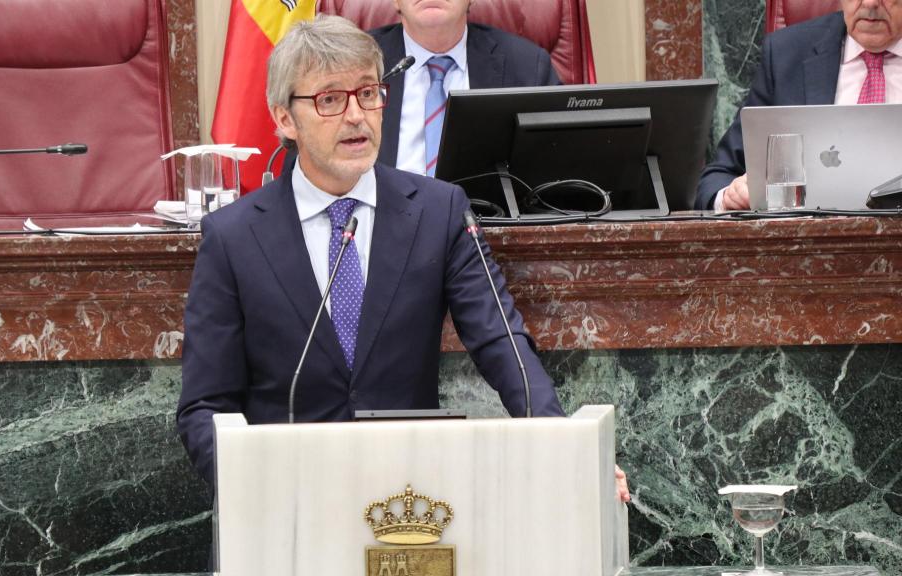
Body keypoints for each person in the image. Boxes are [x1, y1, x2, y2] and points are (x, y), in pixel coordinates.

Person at [176, 14, 630, 502]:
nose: (356, 116)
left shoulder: (438, 210)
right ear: (284, 118)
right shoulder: (234, 236)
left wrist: (566, 451)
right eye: (330, 99)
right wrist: (258, 495)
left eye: (368, 93)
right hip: (288, 506)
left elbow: (502, 343)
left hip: (410, 504)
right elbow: (204, 407)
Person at [696, 0, 902, 211]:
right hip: (807, 230)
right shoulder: (786, 53)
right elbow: (719, 175)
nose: (870, 3)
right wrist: (730, 196)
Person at [370, 0, 560, 176]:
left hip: (484, 201)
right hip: (384, 201)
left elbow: (556, 165)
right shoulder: (360, 62)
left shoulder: (528, 66)